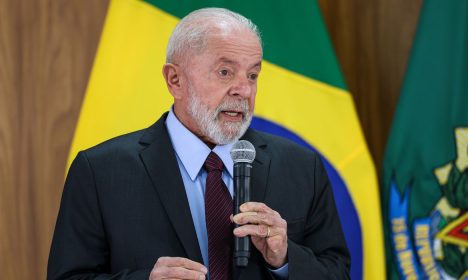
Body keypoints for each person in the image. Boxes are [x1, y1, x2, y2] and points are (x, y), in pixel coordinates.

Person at [48, 7, 350, 280]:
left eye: (253, 74)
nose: (244, 90)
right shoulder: (100, 172)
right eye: (225, 72)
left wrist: (284, 259)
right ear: (175, 80)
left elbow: (338, 272)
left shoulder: (301, 167)